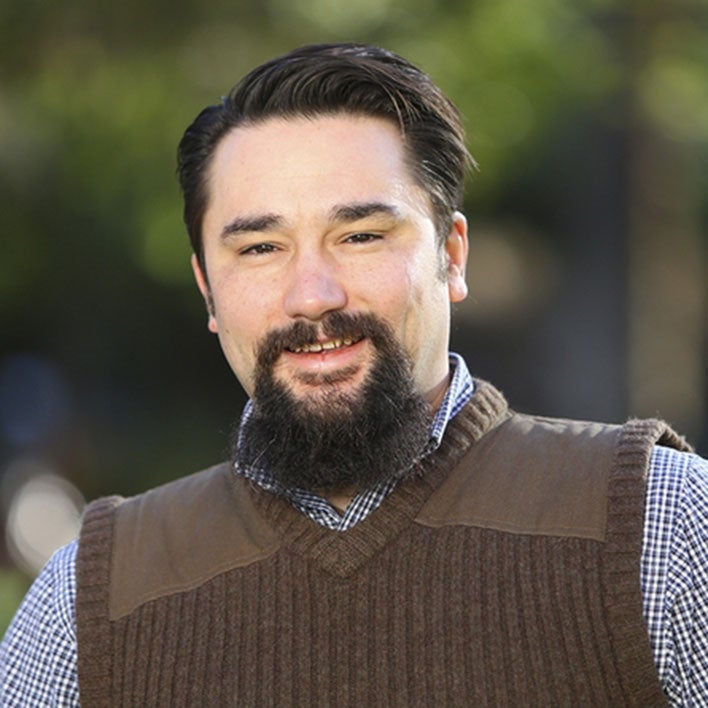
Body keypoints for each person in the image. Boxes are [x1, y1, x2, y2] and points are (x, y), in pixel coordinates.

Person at [1, 42, 707, 706]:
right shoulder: (91, 601)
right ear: (208, 289)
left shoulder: (662, 527)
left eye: (361, 236)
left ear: (451, 255)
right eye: (259, 247)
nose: (312, 295)